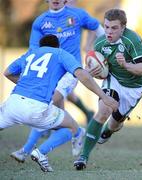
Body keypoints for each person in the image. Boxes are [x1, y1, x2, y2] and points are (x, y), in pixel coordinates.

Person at [2, 34, 117, 172]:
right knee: (72, 128)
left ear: (41, 46)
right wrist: (104, 97)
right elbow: (82, 75)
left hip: (12, 103)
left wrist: (28, 85)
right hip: (37, 108)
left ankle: (26, 150)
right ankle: (40, 152)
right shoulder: (61, 53)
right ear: (57, 46)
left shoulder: (31, 54)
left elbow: (7, 72)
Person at [10, 0, 105, 163]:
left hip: (71, 70)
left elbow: (97, 27)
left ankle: (25, 150)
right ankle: (76, 132)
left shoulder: (78, 15)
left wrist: (94, 48)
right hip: (51, 72)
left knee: (46, 104)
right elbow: (34, 50)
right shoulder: (40, 21)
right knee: (54, 114)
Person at [74, 8, 142, 170]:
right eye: (107, 27)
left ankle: (109, 130)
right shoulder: (101, 43)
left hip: (134, 88)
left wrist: (126, 65)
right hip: (114, 80)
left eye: (114, 28)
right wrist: (92, 71)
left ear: (123, 27)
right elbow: (99, 70)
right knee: (103, 111)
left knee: (114, 124)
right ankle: (83, 157)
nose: (109, 31)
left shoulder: (132, 40)